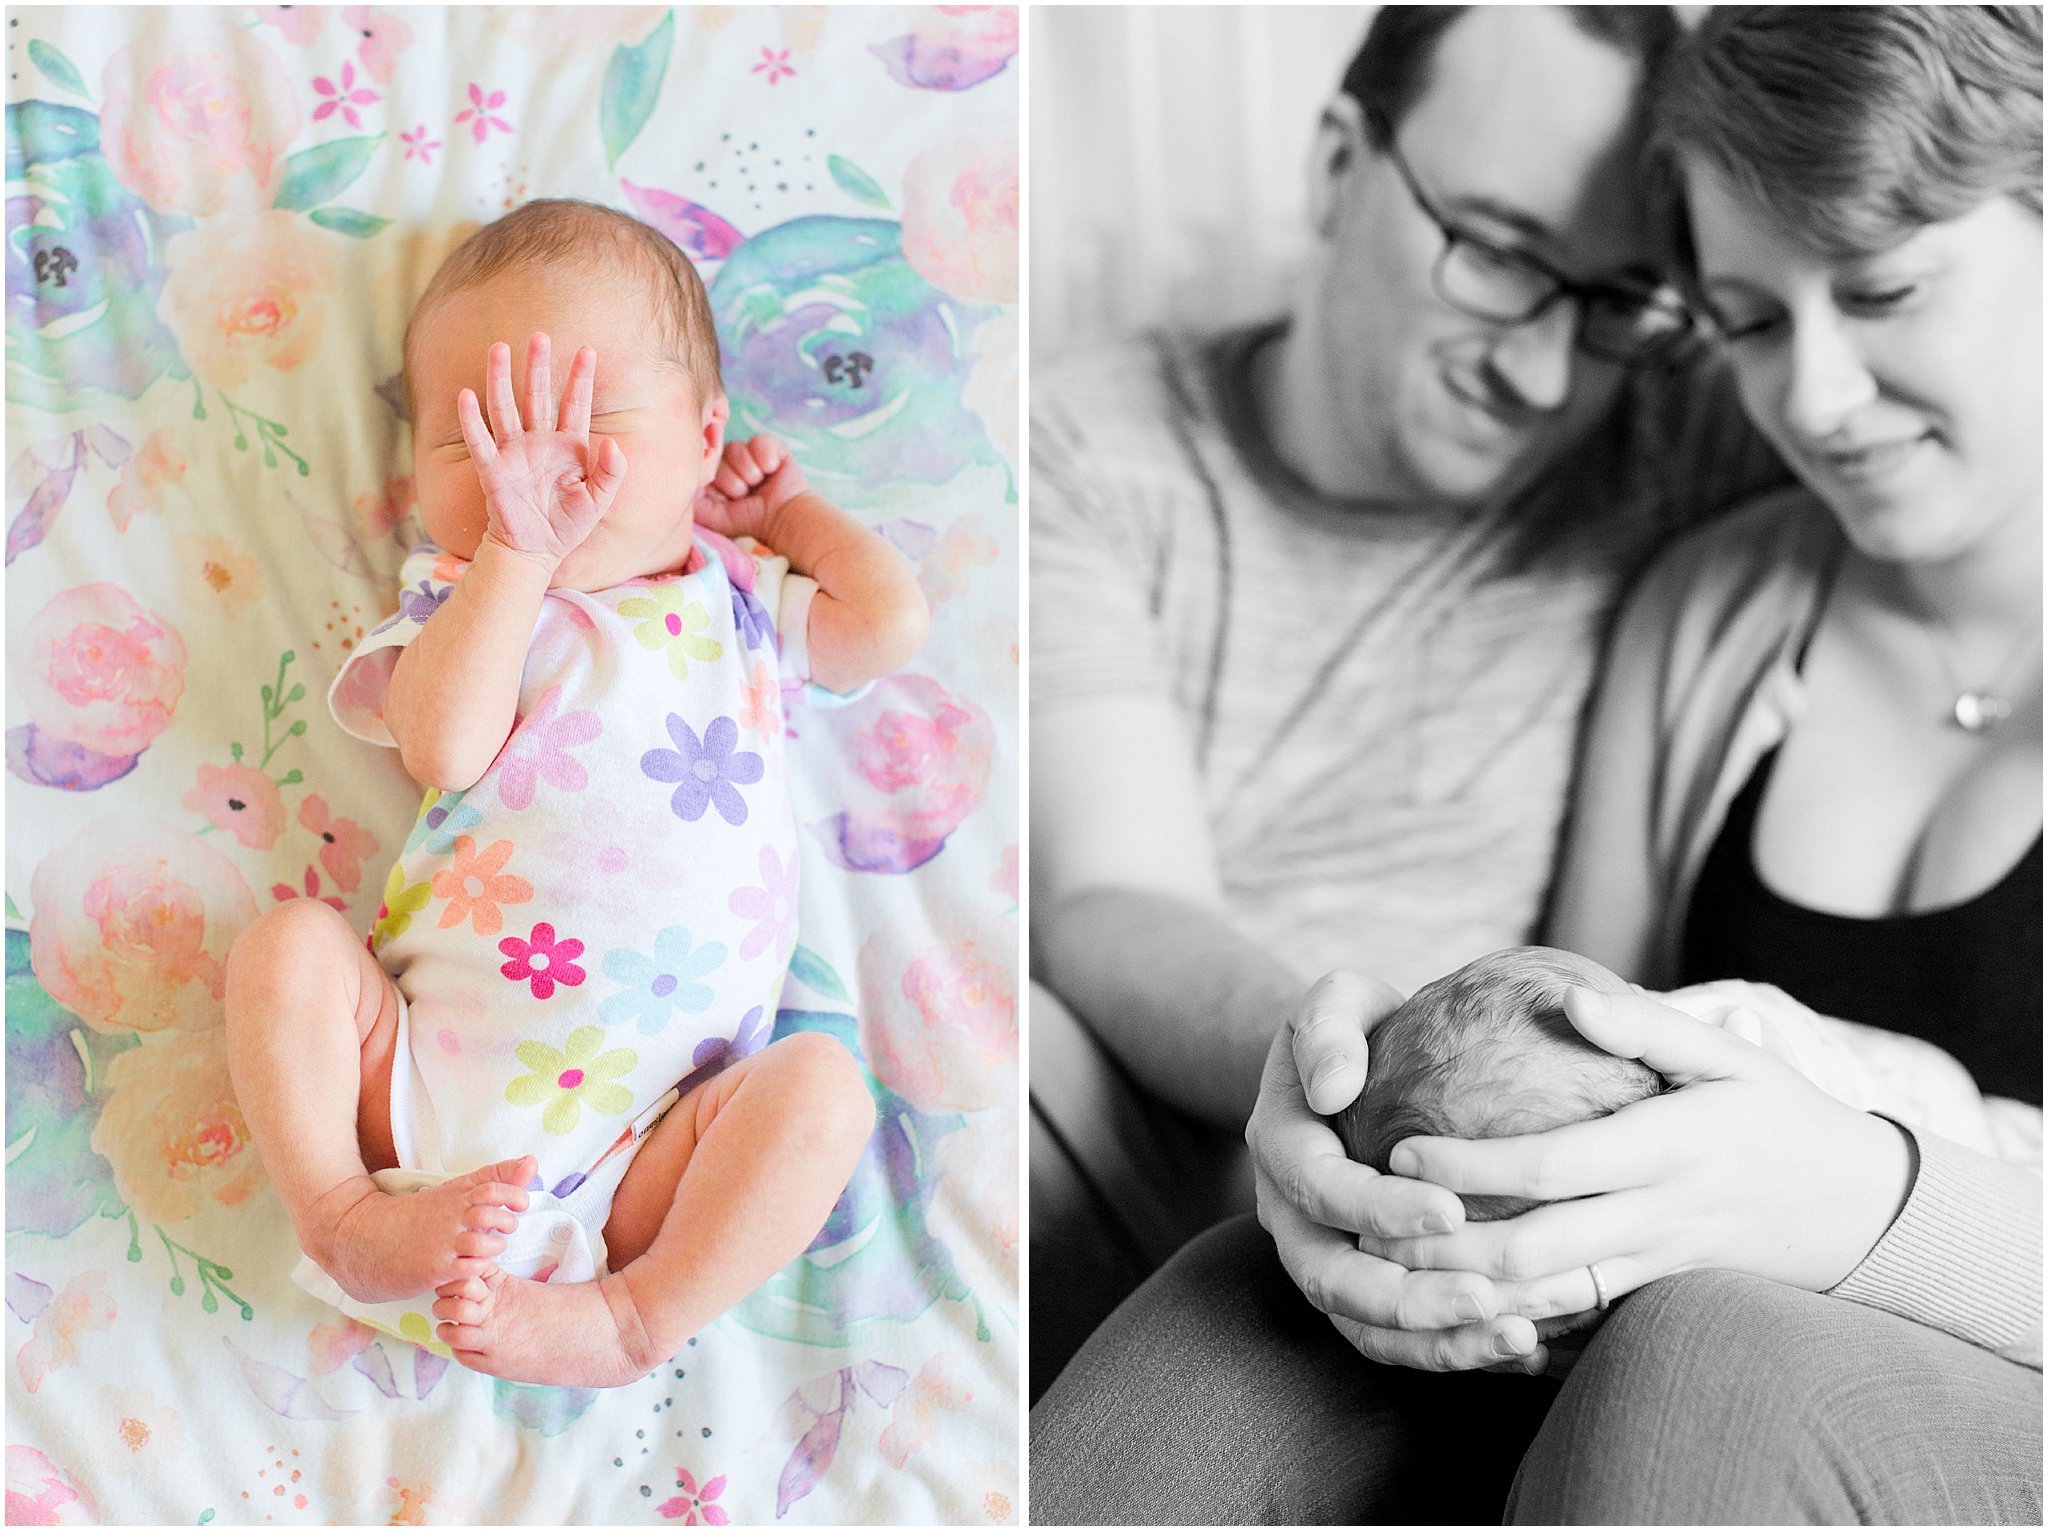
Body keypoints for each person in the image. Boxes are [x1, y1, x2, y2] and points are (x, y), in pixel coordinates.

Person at [1032, 7, 2042, 1522]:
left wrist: (1853, 1196)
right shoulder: (1709, 605)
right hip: (1639, 1329)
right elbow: (1574, 1023)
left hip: (1924, 1349)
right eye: (1750, 323)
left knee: (1717, 1345)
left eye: (1887, 290)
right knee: (1243, 1293)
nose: (1816, 399)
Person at [1028, 3, 1784, 1390]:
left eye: (1615, 301)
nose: (1543, 368)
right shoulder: (1086, 448)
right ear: (1334, 166)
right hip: (1167, 1130)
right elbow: (1106, 894)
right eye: (1496, 251)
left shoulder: (1686, 432)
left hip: (1490, 1208)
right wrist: (1334, 1054)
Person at [223, 200, 927, 1389]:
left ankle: (633, 1316)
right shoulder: (466, 601)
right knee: (286, 952)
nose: (538, 467)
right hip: (419, 1083)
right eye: (474, 439)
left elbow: (887, 626)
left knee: (820, 1096)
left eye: (591, 420)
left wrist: (787, 517)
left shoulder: (739, 595)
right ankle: (340, 1212)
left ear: (706, 438)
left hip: (649, 1136)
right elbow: (442, 749)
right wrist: (514, 554)